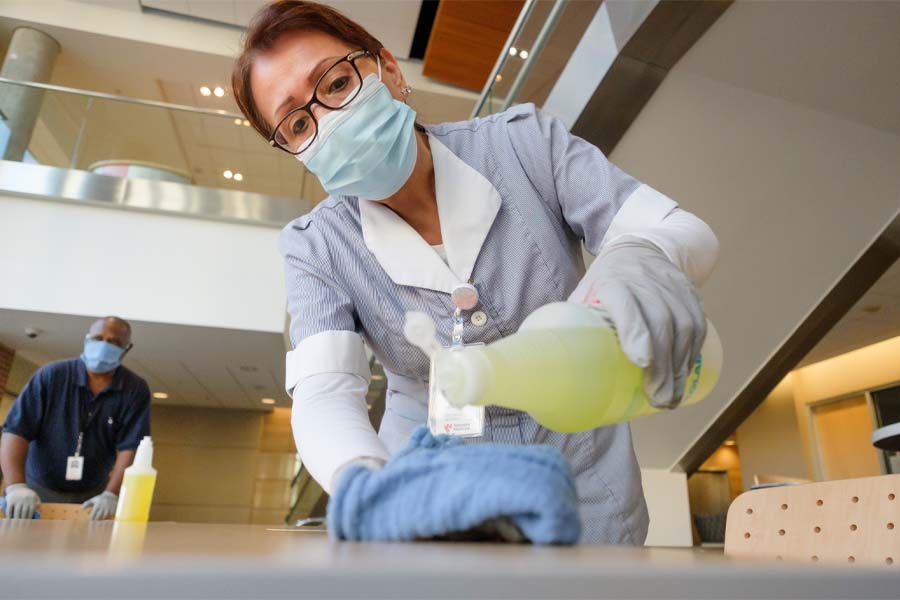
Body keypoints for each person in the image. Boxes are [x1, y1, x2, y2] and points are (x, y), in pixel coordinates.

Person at [232, 0, 719, 544]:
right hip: (435, 496)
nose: (329, 120)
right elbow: (325, 394)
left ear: (389, 70)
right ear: (296, 150)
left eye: (338, 84)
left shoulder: (522, 144)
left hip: (584, 485)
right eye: (298, 123)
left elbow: (681, 230)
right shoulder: (316, 246)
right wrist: (372, 485)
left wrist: (640, 256)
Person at [1, 317, 151, 520]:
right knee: (24, 548)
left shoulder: (134, 389)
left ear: (127, 348)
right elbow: (16, 431)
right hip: (36, 489)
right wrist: (16, 486)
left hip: (93, 496)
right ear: (87, 339)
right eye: (98, 338)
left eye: (114, 342)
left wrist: (111, 493)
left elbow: (131, 446)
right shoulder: (51, 375)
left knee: (83, 551)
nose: (104, 345)